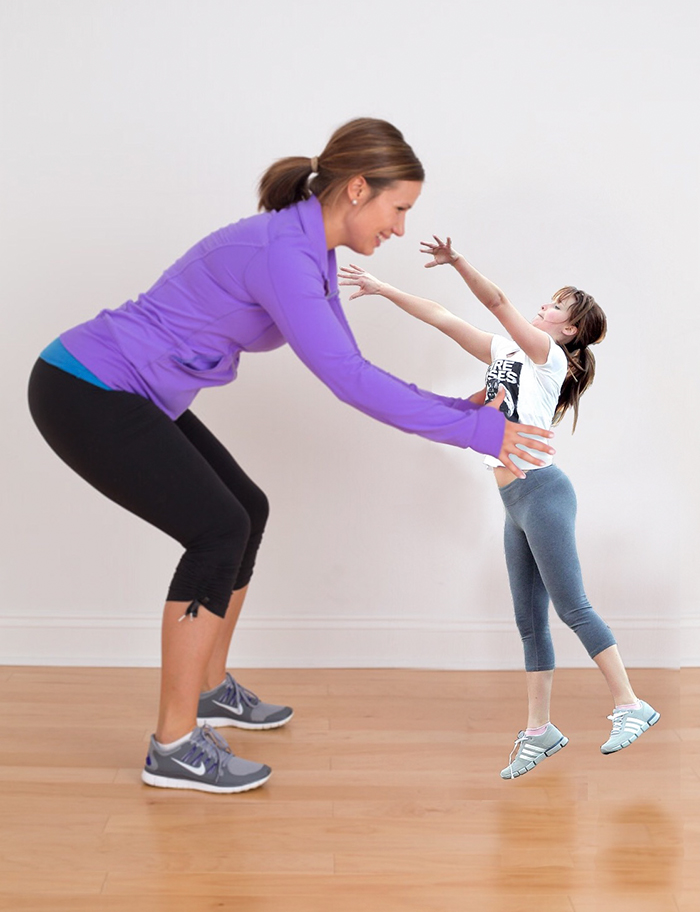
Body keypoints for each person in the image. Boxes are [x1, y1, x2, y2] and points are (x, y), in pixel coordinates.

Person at [27, 119, 556, 795]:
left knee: (244, 510)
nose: (400, 228)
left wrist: (462, 411)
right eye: (398, 209)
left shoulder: (310, 253)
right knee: (216, 530)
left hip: (127, 390)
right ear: (358, 189)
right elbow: (349, 381)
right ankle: (173, 745)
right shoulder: (284, 253)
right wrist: (476, 431)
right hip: (86, 388)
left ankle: (208, 690)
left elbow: (351, 366)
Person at [338, 235, 659, 780]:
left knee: (572, 607)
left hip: (544, 493)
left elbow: (496, 301)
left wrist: (458, 261)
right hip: (515, 501)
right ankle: (539, 731)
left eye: (556, 307)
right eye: (549, 300)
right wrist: (383, 287)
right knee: (529, 621)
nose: (544, 307)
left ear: (569, 330)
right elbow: (441, 317)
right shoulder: (507, 352)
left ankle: (631, 704)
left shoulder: (547, 357)